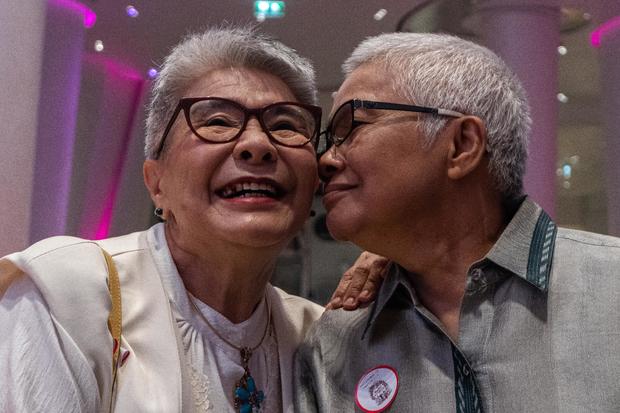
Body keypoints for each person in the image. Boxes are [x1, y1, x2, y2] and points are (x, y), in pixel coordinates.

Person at [0, 26, 381, 413]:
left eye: (285, 126)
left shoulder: (315, 335)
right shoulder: (69, 295)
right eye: (218, 121)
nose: (257, 145)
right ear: (156, 183)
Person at [295, 32, 620, 412]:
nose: (326, 160)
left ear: (462, 145)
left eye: (354, 126)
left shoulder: (610, 289)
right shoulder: (335, 345)